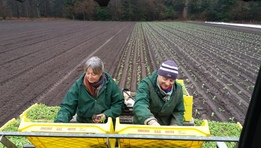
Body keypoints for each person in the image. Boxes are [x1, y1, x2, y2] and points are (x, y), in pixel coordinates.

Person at [54, 56, 124, 123]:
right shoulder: (79, 85)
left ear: (101, 73)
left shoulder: (110, 84)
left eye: (93, 74)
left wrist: (106, 115)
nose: (90, 77)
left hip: (105, 124)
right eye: (88, 73)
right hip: (84, 124)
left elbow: (118, 104)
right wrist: (60, 121)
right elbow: (68, 106)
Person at [133, 60, 185, 126]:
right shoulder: (146, 84)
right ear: (159, 74)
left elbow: (178, 111)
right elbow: (140, 104)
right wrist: (150, 121)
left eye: (171, 81)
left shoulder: (178, 89)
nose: (167, 83)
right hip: (144, 125)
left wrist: (174, 127)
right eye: (165, 79)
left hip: (165, 128)